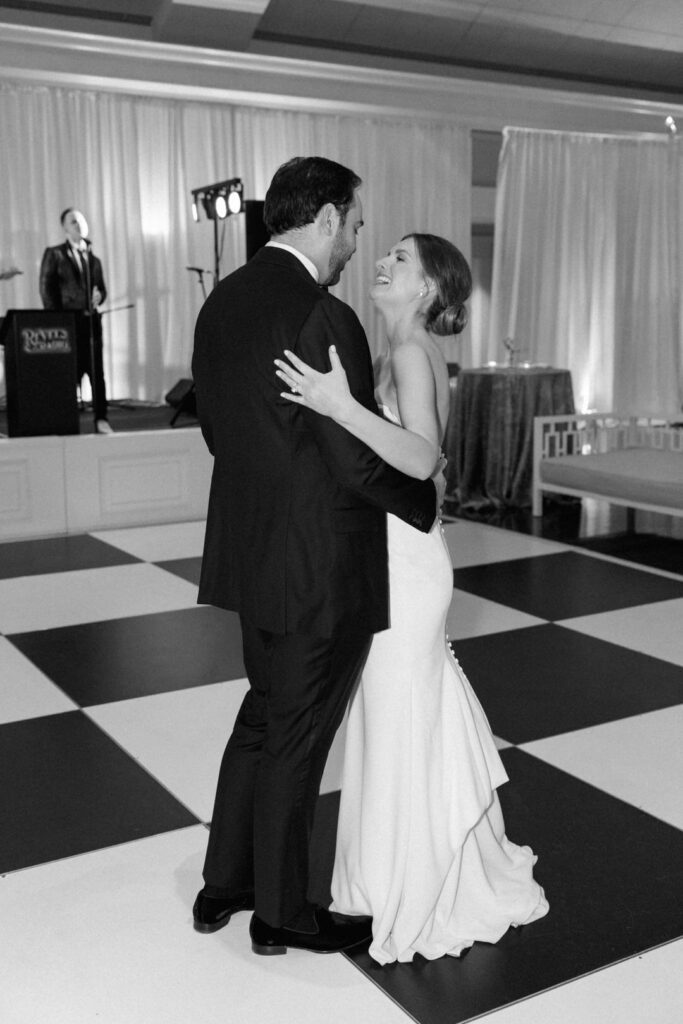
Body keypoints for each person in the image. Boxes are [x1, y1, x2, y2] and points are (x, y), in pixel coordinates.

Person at [275, 232, 549, 964]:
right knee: (400, 718)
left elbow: (422, 457)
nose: (383, 263)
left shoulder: (406, 350)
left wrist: (337, 405)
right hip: (395, 551)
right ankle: (402, 871)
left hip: (405, 560)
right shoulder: (403, 345)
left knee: (398, 721)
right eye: (385, 252)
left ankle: (413, 887)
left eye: (401, 259)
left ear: (429, 288)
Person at [190, 158, 438, 957]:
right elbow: (353, 459)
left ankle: (222, 883)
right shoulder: (321, 315)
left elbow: (217, 431)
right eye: (355, 226)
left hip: (250, 549)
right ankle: (282, 912)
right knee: (296, 735)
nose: (355, 244)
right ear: (326, 217)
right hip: (319, 564)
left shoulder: (220, 302)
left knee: (260, 717)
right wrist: (423, 506)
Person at [39, 208, 112, 433]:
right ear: (65, 227)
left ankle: (101, 419)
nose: (78, 224)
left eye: (81, 220)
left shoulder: (94, 258)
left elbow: (102, 290)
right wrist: (57, 321)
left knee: (97, 373)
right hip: (67, 324)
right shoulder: (55, 254)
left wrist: (100, 296)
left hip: (91, 323)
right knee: (70, 373)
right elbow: (46, 288)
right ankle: (66, 421)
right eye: (73, 221)